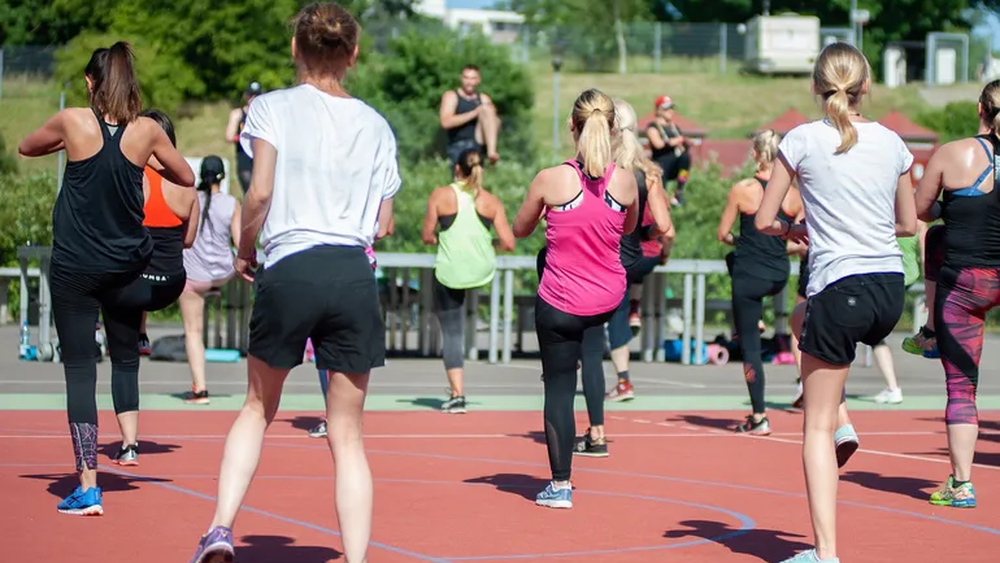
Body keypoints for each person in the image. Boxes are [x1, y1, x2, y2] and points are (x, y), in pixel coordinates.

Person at [187, 4, 399, 563]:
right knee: (347, 435)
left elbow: (258, 193)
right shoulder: (376, 125)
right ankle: (357, 559)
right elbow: (383, 222)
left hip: (291, 265)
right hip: (351, 273)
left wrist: (246, 249)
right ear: (353, 55)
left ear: (294, 49)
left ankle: (220, 529)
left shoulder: (271, 108)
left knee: (257, 408)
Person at [17, 41, 195, 516]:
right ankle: (129, 436)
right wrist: (143, 158)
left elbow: (26, 147)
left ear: (90, 82)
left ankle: (88, 485)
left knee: (80, 371)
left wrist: (68, 145)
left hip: (75, 268)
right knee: (124, 356)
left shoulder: (73, 121)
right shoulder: (147, 131)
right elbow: (185, 177)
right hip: (125, 269)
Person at [755, 42, 916, 563]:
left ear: (815, 87)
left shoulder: (802, 139)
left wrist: (794, 228)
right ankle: (844, 418)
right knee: (802, 318)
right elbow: (908, 223)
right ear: (866, 86)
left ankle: (825, 554)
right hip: (888, 288)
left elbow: (763, 219)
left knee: (815, 429)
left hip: (841, 284)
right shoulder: (893, 142)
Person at [512, 88, 638, 509]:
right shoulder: (625, 180)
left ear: (572, 125)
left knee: (559, 387)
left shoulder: (550, 179)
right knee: (591, 349)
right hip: (604, 298)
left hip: (562, 302)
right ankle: (596, 428)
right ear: (613, 127)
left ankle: (560, 485)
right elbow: (627, 226)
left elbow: (520, 229)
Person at [913, 79, 1000, 509]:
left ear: (980, 108)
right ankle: (931, 330)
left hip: (964, 284)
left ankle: (962, 484)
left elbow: (920, 211)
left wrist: (954, 204)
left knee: (962, 387)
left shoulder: (953, 153)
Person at [111, 109, 200, 466]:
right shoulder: (186, 185)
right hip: (171, 282)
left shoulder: (130, 179)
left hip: (135, 284)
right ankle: (142, 331)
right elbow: (188, 240)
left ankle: (129, 444)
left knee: (124, 361)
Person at [717, 129, 803, 435]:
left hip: (749, 276)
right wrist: (775, 246)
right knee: (739, 264)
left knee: (750, 347)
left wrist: (742, 241)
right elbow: (800, 239)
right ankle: (754, 320)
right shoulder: (793, 195)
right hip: (779, 273)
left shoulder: (743, 189)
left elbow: (723, 234)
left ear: (755, 154)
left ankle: (758, 416)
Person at [591, 99, 673, 413]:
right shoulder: (648, 173)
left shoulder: (599, 170)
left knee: (595, 320)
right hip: (632, 257)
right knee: (618, 316)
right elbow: (664, 226)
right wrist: (641, 234)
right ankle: (622, 380)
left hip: (602, 257)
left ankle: (600, 377)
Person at [421, 147, 515, 414]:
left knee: (452, 332)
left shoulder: (440, 196)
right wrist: (487, 244)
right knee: (467, 316)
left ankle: (457, 395)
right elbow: (509, 243)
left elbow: (427, 236)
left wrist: (440, 239)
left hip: (451, 271)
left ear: (456, 169)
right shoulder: (490, 201)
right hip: (481, 270)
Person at [177, 156, 242, 405]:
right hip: (223, 273)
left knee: (193, 331)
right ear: (222, 177)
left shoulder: (190, 199)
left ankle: (200, 390)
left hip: (193, 277)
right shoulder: (231, 203)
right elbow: (239, 242)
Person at [439, 64, 501, 168]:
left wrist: (493, 119)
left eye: (473, 78)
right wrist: (474, 113)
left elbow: (495, 124)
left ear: (478, 80)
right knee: (463, 179)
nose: (469, 82)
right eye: (466, 78)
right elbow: (445, 122)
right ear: (461, 78)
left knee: (488, 109)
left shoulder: (483, 98)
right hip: (459, 145)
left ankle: (491, 152)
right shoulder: (452, 96)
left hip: (479, 145)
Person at [645, 95, 691, 206]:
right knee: (661, 195)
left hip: (674, 163)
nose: (670, 111)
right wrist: (675, 141)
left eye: (671, 108)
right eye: (666, 108)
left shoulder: (674, 128)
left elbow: (682, 144)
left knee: (685, 158)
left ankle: (678, 192)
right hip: (661, 164)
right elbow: (658, 144)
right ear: (658, 110)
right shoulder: (653, 127)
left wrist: (685, 144)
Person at [225, 81, 263, 194]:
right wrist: (245, 138)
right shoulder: (238, 114)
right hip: (244, 157)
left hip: (261, 157)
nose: (254, 98)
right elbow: (229, 136)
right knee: (249, 191)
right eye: (251, 95)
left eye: (257, 95)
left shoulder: (265, 114)